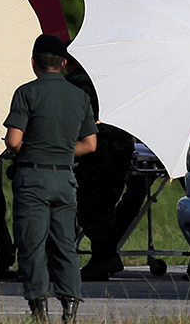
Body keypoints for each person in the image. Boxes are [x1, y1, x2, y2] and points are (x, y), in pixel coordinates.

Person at [5, 34, 98, 323]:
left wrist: (29, 148)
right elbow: (91, 144)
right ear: (64, 63)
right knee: (65, 245)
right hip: (65, 180)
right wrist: (61, 150)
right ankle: (70, 307)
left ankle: (39, 309)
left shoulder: (26, 92)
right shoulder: (80, 96)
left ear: (34, 63)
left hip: (33, 178)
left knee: (32, 244)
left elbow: (13, 140)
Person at [64, 57, 144, 280]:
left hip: (96, 151)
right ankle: (104, 258)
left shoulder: (74, 83)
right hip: (121, 148)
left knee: (89, 205)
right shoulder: (109, 80)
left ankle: (105, 256)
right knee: (105, 204)